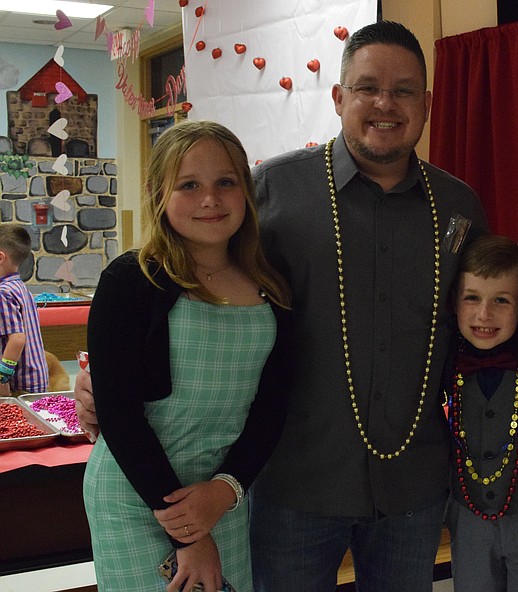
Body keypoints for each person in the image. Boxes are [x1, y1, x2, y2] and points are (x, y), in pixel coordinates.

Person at [75, 21, 488, 592]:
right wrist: (104, 383)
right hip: (292, 486)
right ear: (340, 97)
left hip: (412, 484)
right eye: (367, 87)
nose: (384, 104)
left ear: (427, 103)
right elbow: (178, 275)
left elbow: (485, 329)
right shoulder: (272, 190)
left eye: (404, 90)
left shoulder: (460, 207)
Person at [82, 120, 293, 592]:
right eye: (189, 185)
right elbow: (120, 416)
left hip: (221, 496)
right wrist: (187, 533)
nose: (210, 200)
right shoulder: (131, 280)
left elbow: (271, 408)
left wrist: (224, 492)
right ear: (160, 194)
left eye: (225, 182)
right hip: (139, 493)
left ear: (246, 190)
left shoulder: (272, 288)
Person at [443, 234, 518, 592]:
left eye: (501, 301)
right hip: (467, 514)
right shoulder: (442, 355)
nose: (484, 314)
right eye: (471, 298)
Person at [0, 224, 48, 396]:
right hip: (37, 377)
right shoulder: (20, 287)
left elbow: (17, 339)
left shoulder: (3, 292)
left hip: (20, 383)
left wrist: (2, 377)